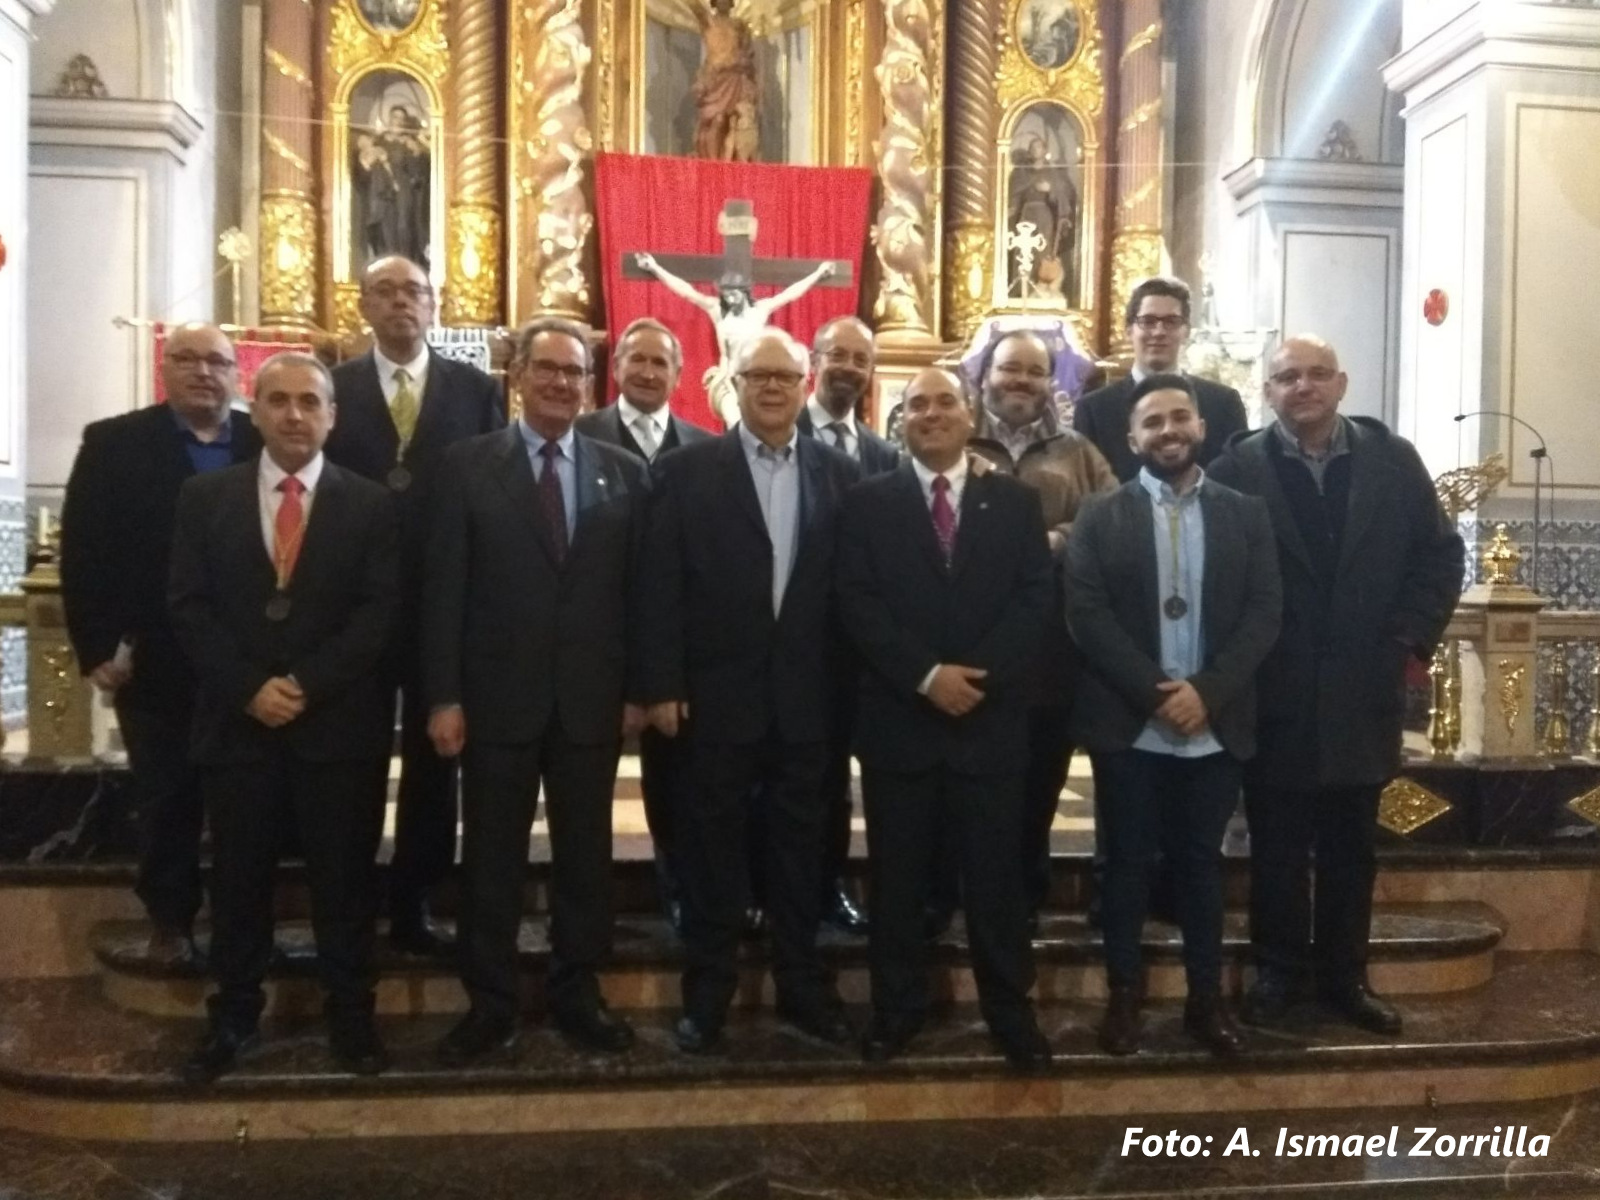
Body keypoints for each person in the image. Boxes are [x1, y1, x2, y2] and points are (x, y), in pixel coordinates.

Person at [1209, 336, 1464, 1036]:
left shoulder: (1392, 460)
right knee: (1278, 847)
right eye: (1288, 376)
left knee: (1353, 848)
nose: (1304, 386)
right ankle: (1279, 973)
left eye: (1318, 374)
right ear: (1267, 391)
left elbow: (1440, 557)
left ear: (1342, 383)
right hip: (1275, 690)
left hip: (1362, 686)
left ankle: (1346, 978)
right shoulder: (1235, 468)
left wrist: (1407, 639)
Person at [424, 318, 651, 1064]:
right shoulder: (466, 466)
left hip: (590, 701)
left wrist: (638, 689)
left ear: (590, 383)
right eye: (546, 368)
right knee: (492, 859)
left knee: (586, 859)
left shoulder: (624, 471)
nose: (560, 382)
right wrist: (443, 696)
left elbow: (638, 595)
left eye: (574, 372)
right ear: (517, 375)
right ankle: (489, 1003)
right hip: (495, 701)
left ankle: (577, 993)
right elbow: (443, 591)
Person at [169, 353, 398, 1083]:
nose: (295, 414)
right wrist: (250, 688)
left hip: (337, 729)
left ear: (332, 415)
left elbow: (378, 613)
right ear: (255, 409)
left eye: (310, 401)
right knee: (238, 885)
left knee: (345, 884)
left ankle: (351, 1016)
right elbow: (189, 606)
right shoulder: (205, 497)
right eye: (279, 400)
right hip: (239, 729)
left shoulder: (372, 505)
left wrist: (303, 683)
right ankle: (233, 1016)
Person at [635, 329, 862, 1054]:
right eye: (756, 375)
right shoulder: (685, 470)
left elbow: (852, 594)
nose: (770, 387)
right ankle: (708, 994)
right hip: (713, 700)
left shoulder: (840, 474)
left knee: (801, 854)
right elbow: (659, 583)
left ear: (804, 385)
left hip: (808, 702)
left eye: (784, 377)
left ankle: (801, 985)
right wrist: (662, 682)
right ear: (732, 385)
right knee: (711, 855)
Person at [836, 366, 1056, 1072]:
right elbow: (857, 602)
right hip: (901, 723)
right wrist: (928, 677)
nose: (930, 414)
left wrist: (974, 678)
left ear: (969, 416)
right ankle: (896, 1011)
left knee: (996, 883)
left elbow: (1035, 600)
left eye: (944, 402)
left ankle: (1010, 1013)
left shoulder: (1016, 502)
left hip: (989, 725)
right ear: (899, 421)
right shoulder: (867, 503)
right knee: (898, 883)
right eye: (916, 405)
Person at [1067, 376, 1281, 1057]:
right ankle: (1123, 998)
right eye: (1152, 421)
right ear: (1132, 439)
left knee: (1200, 867)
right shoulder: (1101, 514)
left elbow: (1264, 612)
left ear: (1200, 428)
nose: (1168, 430)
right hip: (1132, 724)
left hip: (1213, 726)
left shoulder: (1245, 514)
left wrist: (1207, 693)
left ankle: (1204, 1003)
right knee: (1126, 866)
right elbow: (1087, 614)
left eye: (1179, 417)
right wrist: (1158, 692)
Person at [61, 323, 263, 965]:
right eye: (187, 359)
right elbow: (83, 549)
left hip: (248, 657)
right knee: (165, 792)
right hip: (154, 654)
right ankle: (171, 920)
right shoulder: (114, 442)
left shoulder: (263, 438)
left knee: (244, 800)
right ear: (164, 367)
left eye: (217, 362)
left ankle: (242, 923)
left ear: (237, 373)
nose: (203, 372)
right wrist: (96, 645)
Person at [326, 255, 504, 958]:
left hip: (444, 603)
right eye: (385, 291)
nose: (401, 302)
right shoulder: (331, 387)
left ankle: (414, 901)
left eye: (414, 291)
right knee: (354, 757)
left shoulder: (475, 390)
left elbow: (494, 491)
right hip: (352, 605)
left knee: (437, 763)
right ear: (363, 306)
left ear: (434, 306)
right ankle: (347, 900)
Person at [968, 330, 1116, 922]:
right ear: (986, 374)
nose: (1021, 380)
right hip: (971, 640)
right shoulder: (956, 434)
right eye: (1010, 368)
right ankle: (963, 892)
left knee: (1039, 776)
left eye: (1035, 371)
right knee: (976, 779)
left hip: (1051, 646)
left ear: (1050, 381)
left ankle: (1024, 892)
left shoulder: (1076, 450)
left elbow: (1110, 515)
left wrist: (1057, 538)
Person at [575, 318, 712, 935]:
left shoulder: (705, 448)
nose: (649, 372)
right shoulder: (578, 436)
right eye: (638, 360)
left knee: (677, 785)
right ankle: (588, 911)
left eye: (661, 363)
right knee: (583, 793)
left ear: (679, 375)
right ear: (616, 368)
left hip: (674, 653)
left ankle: (678, 887)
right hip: (593, 647)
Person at [794, 316, 900, 935]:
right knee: (785, 778)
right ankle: (774, 887)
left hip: (859, 649)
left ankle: (828, 883)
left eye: (861, 360)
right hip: (796, 642)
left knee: (837, 778)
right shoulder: (779, 430)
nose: (849, 369)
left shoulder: (884, 454)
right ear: (814, 361)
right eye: (839, 355)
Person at [1073, 277, 1249, 482]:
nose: (1158, 332)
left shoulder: (1223, 403)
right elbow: (1087, 487)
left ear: (1186, 331)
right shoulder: (1094, 410)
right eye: (1148, 321)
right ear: (1129, 330)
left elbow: (1237, 482)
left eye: (1171, 322)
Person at [633, 252, 835, 428]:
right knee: (735, 424)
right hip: (728, 379)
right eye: (726, 294)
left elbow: (791, 293)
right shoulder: (718, 311)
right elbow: (686, 291)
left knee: (759, 426)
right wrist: (655, 268)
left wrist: (818, 274)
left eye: (734, 293)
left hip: (756, 377)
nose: (730, 298)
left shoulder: (759, 311)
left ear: (744, 291)